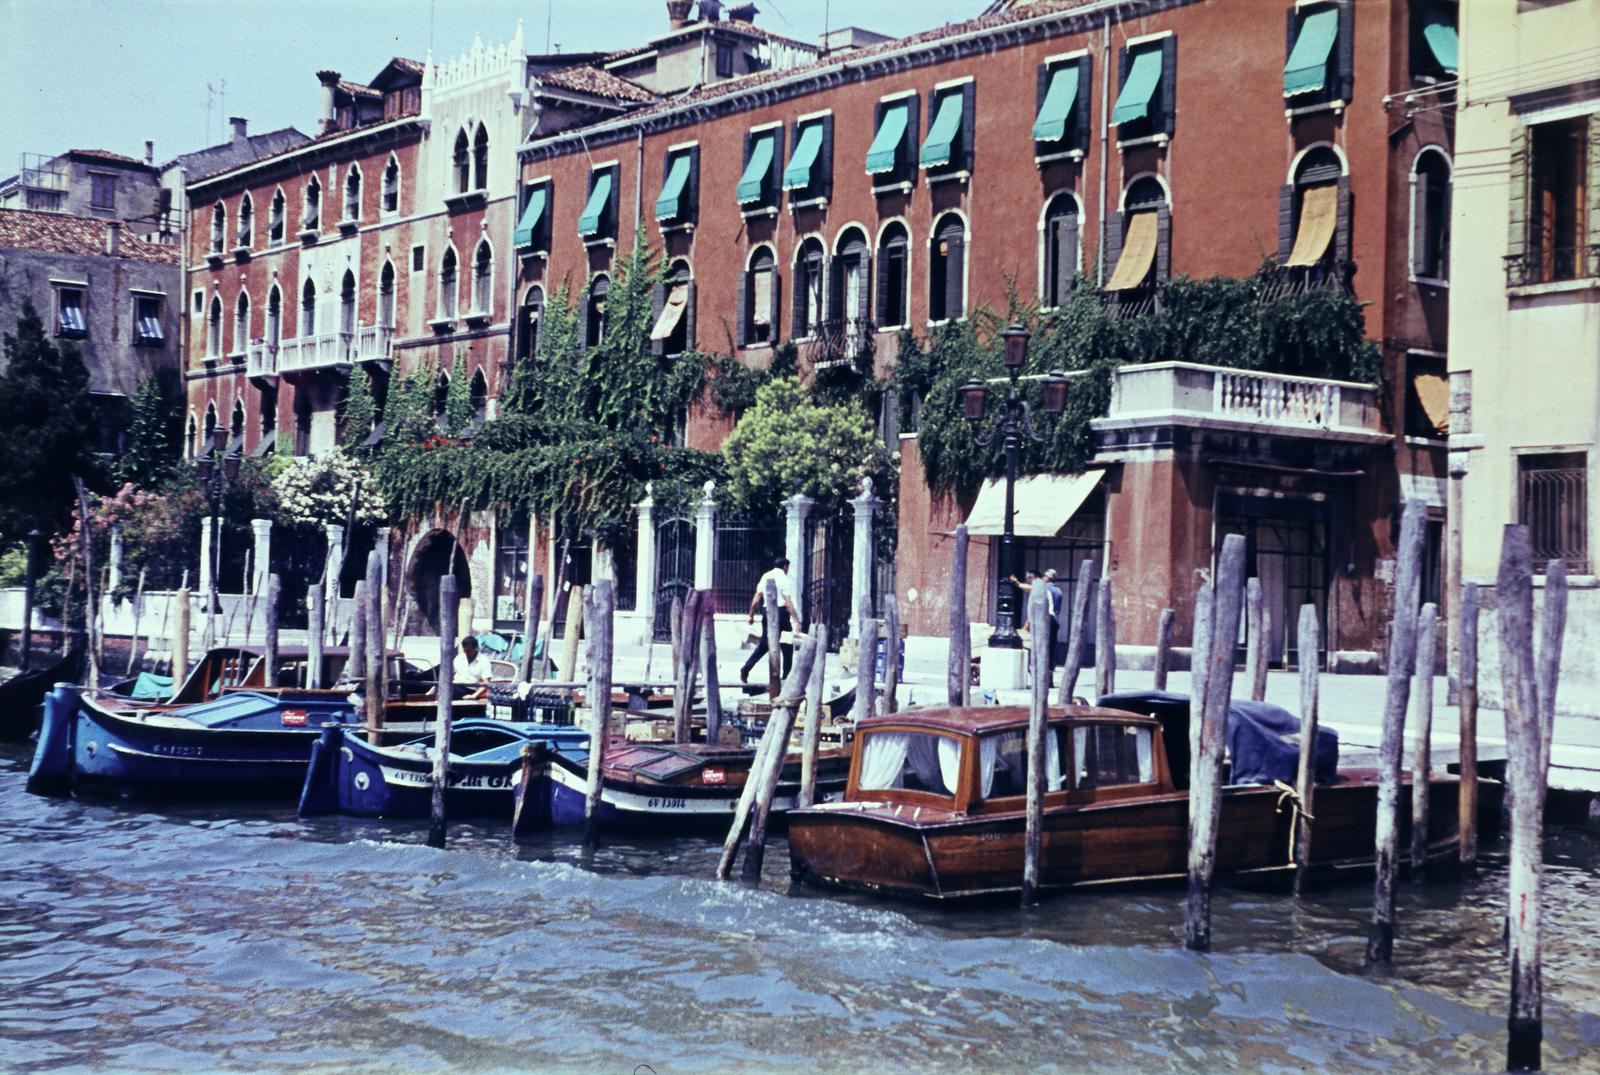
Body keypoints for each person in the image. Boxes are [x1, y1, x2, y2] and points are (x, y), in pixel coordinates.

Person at [741, 556, 802, 683]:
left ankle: (746, 668)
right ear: (785, 567)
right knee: (787, 644)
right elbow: (788, 602)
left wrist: (751, 614)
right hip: (781, 613)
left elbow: (757, 597)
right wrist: (796, 620)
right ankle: (786, 676)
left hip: (767, 612)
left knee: (764, 644)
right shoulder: (785, 579)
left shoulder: (766, 576)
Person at [452, 635, 493, 700]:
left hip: (471, 690)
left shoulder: (484, 661)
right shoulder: (459, 658)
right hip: (456, 686)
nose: (467, 653)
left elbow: (486, 682)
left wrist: (474, 695)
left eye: (469, 651)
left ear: (475, 648)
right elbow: (453, 675)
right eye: (465, 651)